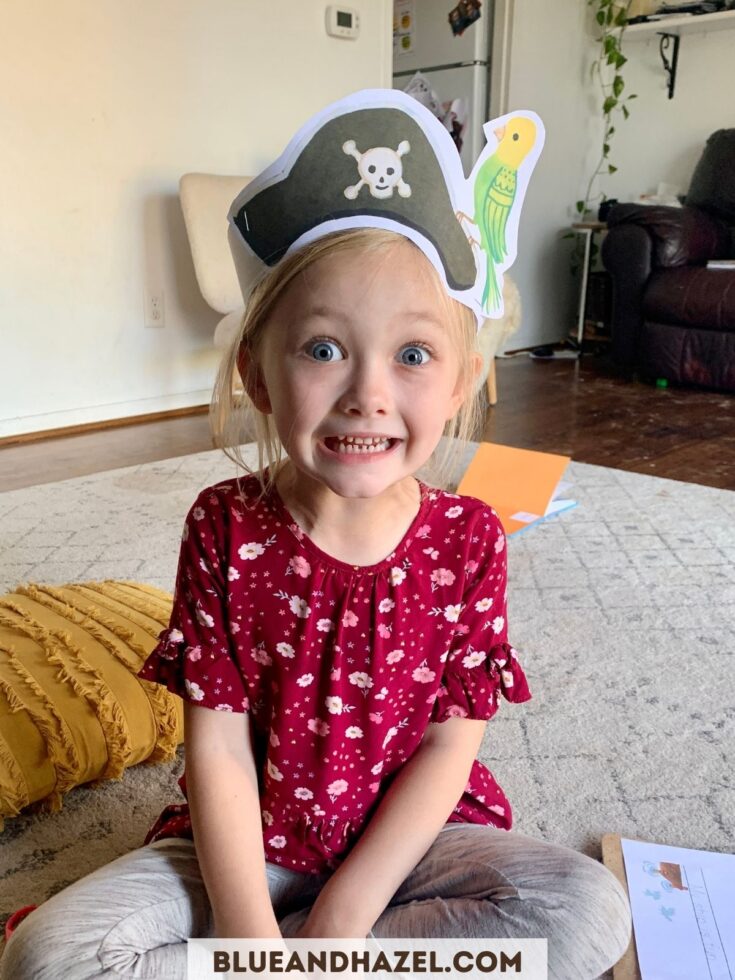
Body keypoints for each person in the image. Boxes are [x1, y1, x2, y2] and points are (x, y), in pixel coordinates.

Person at [1, 91, 630, 980]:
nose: (367, 393)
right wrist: (249, 934)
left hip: (408, 854)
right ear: (257, 375)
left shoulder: (468, 538)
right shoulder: (223, 526)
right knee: (48, 953)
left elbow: (453, 743)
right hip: (248, 843)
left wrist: (339, 919)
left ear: (461, 382)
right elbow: (214, 747)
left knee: (588, 911)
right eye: (323, 349)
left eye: (412, 355)